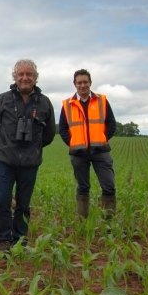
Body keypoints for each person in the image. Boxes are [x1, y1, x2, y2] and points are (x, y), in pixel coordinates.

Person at [0, 59, 55, 251]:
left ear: (35, 78)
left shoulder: (44, 102)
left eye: (29, 74)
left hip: (30, 162)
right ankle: (3, 240)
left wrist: (33, 148)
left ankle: (20, 240)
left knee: (23, 204)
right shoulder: (3, 99)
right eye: (21, 74)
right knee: (2, 201)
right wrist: (4, 146)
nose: (25, 78)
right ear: (15, 77)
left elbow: (49, 134)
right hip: (5, 161)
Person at [59, 69, 117, 219]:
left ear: (90, 83)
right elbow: (62, 128)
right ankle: (82, 220)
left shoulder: (102, 100)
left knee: (108, 187)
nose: (83, 85)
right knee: (83, 188)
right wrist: (72, 142)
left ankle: (108, 221)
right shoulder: (67, 104)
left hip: (101, 151)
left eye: (85, 82)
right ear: (75, 84)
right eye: (79, 82)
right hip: (78, 154)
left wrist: (103, 138)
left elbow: (111, 123)